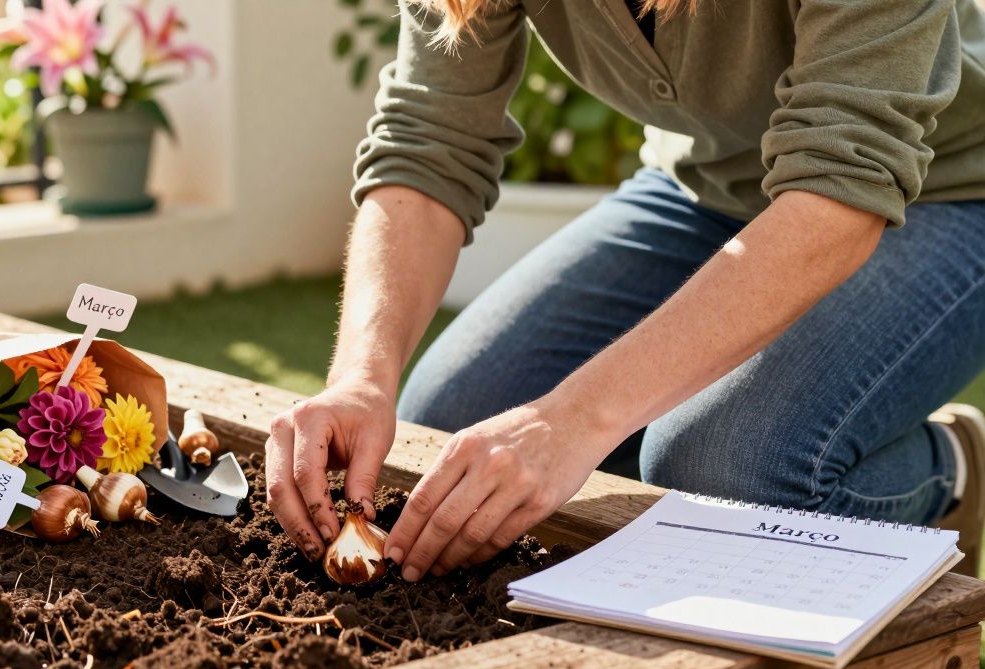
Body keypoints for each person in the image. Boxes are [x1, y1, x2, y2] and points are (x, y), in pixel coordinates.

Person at [266, 0, 985, 582]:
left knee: (719, 469)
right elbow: (430, 138)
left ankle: (952, 474)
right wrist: (362, 378)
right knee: (449, 430)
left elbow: (838, 189)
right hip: (708, 190)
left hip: (948, 190)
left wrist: (571, 422)